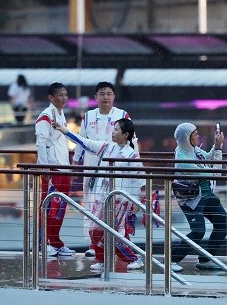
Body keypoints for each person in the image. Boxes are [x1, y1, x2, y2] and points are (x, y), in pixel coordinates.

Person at [53, 118, 145, 270]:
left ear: (125, 134)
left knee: (112, 234)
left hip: (120, 201)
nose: (113, 132)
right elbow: (84, 143)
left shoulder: (132, 156)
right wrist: (64, 130)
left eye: (116, 130)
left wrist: (134, 202)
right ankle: (102, 260)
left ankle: (133, 258)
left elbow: (138, 180)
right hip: (102, 198)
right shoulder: (107, 147)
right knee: (94, 230)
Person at [72, 81, 137, 258]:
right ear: (96, 97)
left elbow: (132, 140)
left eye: (109, 93)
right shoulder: (88, 116)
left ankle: (121, 241)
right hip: (92, 167)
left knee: (118, 206)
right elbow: (81, 140)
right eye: (102, 94)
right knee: (92, 206)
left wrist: (134, 164)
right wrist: (77, 161)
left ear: (114, 96)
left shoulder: (122, 114)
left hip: (116, 168)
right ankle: (94, 245)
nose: (105, 97)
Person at [170, 122, 226, 272]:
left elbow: (207, 158)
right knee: (198, 231)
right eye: (195, 135)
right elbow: (215, 172)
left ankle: (205, 260)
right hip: (191, 199)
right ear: (186, 138)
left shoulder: (193, 150)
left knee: (223, 223)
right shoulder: (182, 158)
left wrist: (215, 145)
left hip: (207, 195)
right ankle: (172, 259)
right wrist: (219, 149)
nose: (198, 136)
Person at [35, 82, 76, 257]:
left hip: (63, 167)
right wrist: (45, 167)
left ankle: (56, 242)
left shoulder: (61, 114)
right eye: (60, 95)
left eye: (66, 94)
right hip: (52, 168)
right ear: (51, 98)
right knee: (48, 205)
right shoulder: (45, 116)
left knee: (60, 207)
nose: (64, 98)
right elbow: (41, 143)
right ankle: (42, 243)